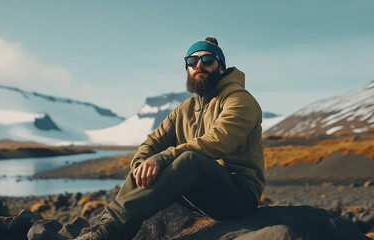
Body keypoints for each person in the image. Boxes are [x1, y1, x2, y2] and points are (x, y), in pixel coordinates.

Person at [76, 37, 265, 240]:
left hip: (239, 195)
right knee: (146, 163)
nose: (199, 65)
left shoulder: (239, 99)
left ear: (221, 67)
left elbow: (219, 141)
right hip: (201, 195)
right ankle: (109, 227)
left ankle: (107, 232)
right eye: (192, 61)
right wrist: (141, 164)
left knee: (187, 160)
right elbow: (151, 143)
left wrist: (164, 157)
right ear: (187, 69)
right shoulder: (184, 110)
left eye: (208, 59)